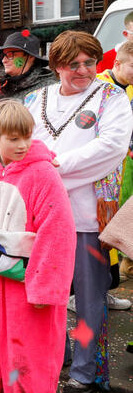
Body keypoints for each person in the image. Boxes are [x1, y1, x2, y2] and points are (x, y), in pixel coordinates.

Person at [24, 31, 133, 392]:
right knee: (44, 296)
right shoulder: (34, 99)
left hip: (88, 218)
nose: (84, 70)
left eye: (90, 62)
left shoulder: (111, 98)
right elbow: (20, 146)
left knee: (89, 299)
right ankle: (54, 360)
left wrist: (51, 170)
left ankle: (87, 373)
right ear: (57, 66)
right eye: (75, 64)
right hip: (42, 217)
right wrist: (41, 177)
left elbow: (111, 148)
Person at [0, 100, 75, 392]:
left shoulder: (43, 173)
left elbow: (58, 230)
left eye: (27, 136)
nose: (23, 145)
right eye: (14, 138)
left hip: (28, 278)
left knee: (30, 349)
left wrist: (45, 285)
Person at [96, 40, 133, 311]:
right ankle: (84, 292)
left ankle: (104, 290)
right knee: (101, 231)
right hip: (100, 177)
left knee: (111, 232)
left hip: (120, 175)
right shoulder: (99, 86)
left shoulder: (129, 89)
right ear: (117, 64)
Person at [0, 31, 56, 102]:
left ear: (30, 57)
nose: (3, 60)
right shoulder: (1, 89)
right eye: (3, 55)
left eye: (10, 55)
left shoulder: (49, 89)